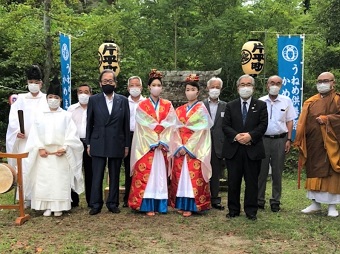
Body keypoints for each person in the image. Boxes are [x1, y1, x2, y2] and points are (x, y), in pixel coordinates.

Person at [24, 80, 84, 217]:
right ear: (46, 98)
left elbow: (72, 134)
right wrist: (39, 148)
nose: (53, 100)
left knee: (59, 180)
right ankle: (47, 206)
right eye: (50, 97)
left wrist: (65, 147)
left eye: (56, 97)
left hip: (60, 153)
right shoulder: (40, 115)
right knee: (44, 180)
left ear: (60, 99)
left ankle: (59, 206)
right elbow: (35, 134)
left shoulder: (66, 116)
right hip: (44, 153)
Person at [128, 69, 177, 216]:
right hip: (147, 146)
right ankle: (146, 204)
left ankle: (160, 204)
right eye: (153, 84)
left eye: (159, 85)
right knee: (147, 175)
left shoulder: (168, 105)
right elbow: (142, 126)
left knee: (160, 174)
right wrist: (154, 140)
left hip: (162, 146)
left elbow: (171, 124)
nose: (156, 87)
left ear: (162, 87)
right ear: (149, 87)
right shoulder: (142, 106)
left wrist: (163, 140)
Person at [222, 74, 268, 221]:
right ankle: (233, 209)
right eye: (243, 85)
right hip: (234, 149)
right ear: (238, 88)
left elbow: (263, 125)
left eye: (248, 85)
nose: (245, 87)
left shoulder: (261, 105)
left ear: (253, 88)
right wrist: (237, 137)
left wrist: (250, 136)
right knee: (233, 181)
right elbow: (225, 126)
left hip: (252, 149)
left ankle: (251, 210)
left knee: (252, 182)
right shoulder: (230, 105)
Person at [295, 71, 340, 217]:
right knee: (313, 171)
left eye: (326, 80)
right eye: (320, 81)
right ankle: (315, 203)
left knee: (331, 173)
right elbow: (303, 122)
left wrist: (328, 119)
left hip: (331, 143)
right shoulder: (310, 101)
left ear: (333, 82)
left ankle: (332, 206)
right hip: (313, 142)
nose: (322, 84)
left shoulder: (337, 99)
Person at [86, 69, 130, 215]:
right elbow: (89, 122)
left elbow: (126, 124)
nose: (107, 84)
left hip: (116, 141)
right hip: (98, 141)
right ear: (100, 83)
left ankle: (112, 202)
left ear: (115, 84)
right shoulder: (93, 100)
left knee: (115, 173)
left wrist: (126, 145)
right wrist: (89, 143)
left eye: (110, 81)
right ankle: (96, 203)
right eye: (105, 81)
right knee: (97, 174)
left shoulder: (123, 100)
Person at [169, 74, 213, 217]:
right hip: (180, 146)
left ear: (198, 92)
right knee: (181, 177)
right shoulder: (179, 110)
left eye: (192, 89)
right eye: (187, 89)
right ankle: (181, 204)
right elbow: (174, 130)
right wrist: (178, 146)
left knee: (192, 178)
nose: (190, 92)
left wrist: (188, 147)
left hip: (194, 148)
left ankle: (193, 205)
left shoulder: (202, 109)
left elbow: (203, 132)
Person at [6, 65, 48, 206]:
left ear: (41, 83)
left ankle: (40, 199)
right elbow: (13, 120)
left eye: (36, 82)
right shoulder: (20, 100)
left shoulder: (46, 100)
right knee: (24, 169)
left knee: (40, 169)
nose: (33, 85)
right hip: (24, 141)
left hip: (41, 142)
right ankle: (25, 199)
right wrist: (17, 131)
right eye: (31, 81)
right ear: (27, 82)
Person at [258, 75, 296, 212]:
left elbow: (290, 121)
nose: (274, 85)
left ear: (281, 86)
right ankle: (259, 200)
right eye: (272, 83)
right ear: (267, 85)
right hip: (262, 140)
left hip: (280, 139)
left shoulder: (286, 101)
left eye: (278, 83)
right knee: (260, 172)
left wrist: (289, 139)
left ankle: (275, 201)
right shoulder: (260, 101)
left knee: (277, 171)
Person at [203, 77, 227, 210]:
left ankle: (215, 199)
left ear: (221, 89)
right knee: (202, 171)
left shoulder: (225, 106)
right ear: (207, 88)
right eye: (213, 87)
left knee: (216, 173)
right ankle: (202, 197)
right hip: (202, 144)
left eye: (217, 87)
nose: (215, 89)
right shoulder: (200, 105)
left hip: (219, 144)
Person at [67, 84, 93, 208]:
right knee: (73, 169)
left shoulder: (95, 108)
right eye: (80, 92)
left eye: (86, 92)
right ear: (77, 94)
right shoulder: (71, 109)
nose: (83, 94)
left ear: (91, 94)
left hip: (90, 143)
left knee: (90, 172)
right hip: (74, 143)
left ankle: (91, 200)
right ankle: (73, 200)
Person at [122, 76, 145, 208]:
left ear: (141, 87)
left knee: (140, 166)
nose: (134, 88)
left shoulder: (146, 102)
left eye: (137, 85)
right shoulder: (123, 101)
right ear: (128, 87)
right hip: (127, 136)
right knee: (128, 167)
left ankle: (140, 195)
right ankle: (127, 197)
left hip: (142, 137)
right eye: (132, 85)